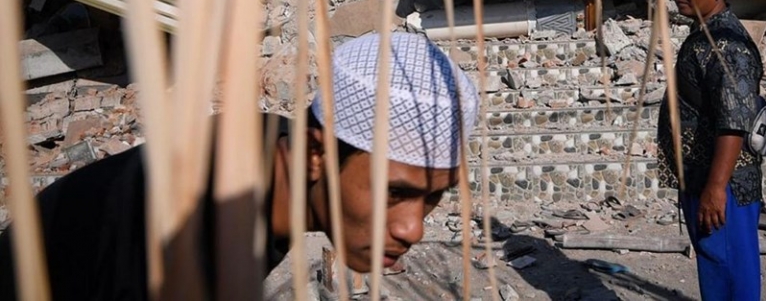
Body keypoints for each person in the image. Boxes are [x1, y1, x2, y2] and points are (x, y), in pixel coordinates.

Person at [0, 32, 478, 300]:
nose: (414, 228)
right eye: (394, 193)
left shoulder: (275, 152)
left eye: (434, 196)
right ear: (317, 155)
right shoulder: (198, 225)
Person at [656, 0, 764, 301]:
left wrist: (716, 189)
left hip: (724, 186)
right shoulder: (704, 36)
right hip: (704, 179)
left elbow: (733, 122)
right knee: (716, 270)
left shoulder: (728, 46)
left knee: (731, 274)